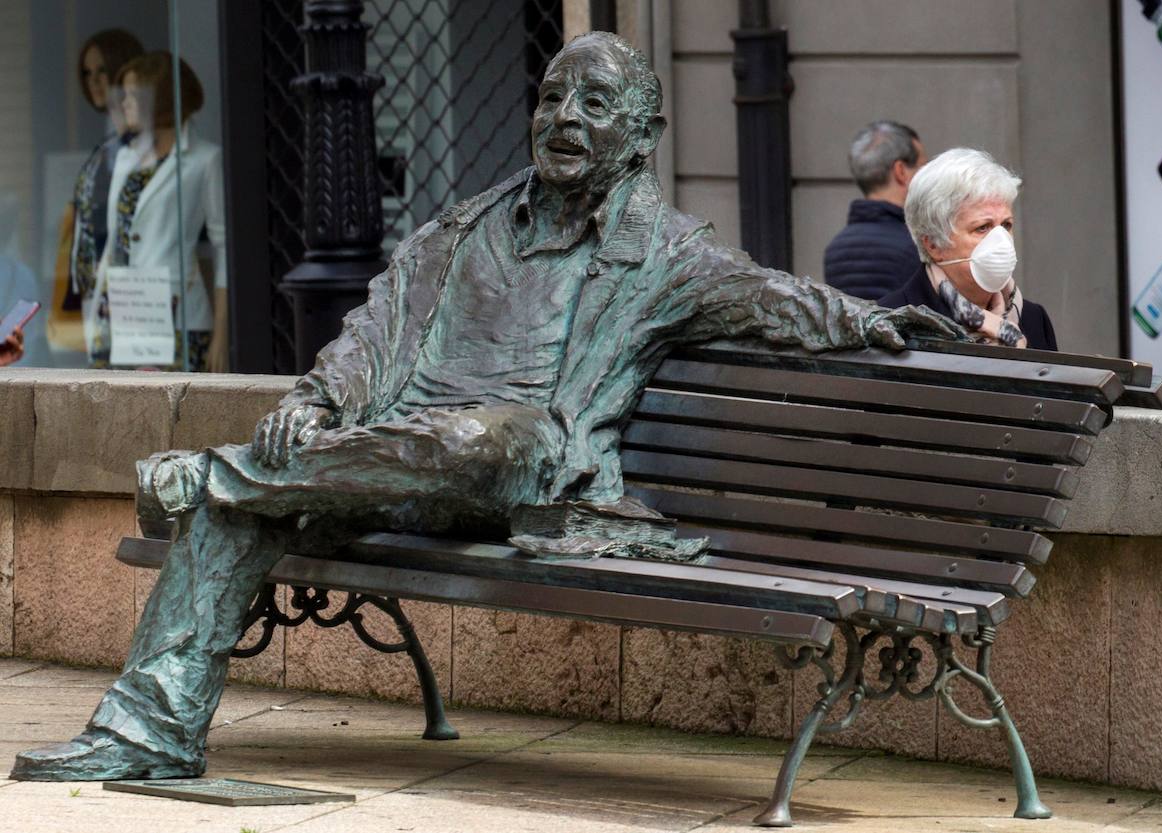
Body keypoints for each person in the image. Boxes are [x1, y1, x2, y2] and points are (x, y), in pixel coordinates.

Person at [12, 31, 962, 782]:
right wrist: (315, 399)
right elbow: (372, 332)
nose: (566, 117)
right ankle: (148, 732)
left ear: (640, 136)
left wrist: (881, 324)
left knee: (485, 436)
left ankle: (209, 476)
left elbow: (772, 298)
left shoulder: (664, 250)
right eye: (554, 97)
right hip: (382, 463)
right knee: (245, 506)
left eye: (596, 103)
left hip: (519, 468)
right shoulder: (460, 227)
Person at [83, 51, 228, 372]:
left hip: (176, 319)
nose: (125, 103)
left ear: (160, 98)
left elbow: (224, 249)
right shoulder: (124, 159)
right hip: (121, 312)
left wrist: (221, 333)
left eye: (135, 95)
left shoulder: (204, 160)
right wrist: (94, 315)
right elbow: (114, 244)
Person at [879, 148, 1057, 351]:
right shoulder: (891, 323)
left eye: (1006, 225)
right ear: (934, 244)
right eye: (982, 228)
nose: (1001, 240)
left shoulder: (1034, 319)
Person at [49, 29, 144, 355]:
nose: (94, 81)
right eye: (87, 73)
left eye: (102, 70)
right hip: (96, 301)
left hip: (137, 299)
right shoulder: (105, 151)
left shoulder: (143, 149)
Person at [823, 120, 928, 300]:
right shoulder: (919, 244)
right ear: (901, 171)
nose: (928, 176)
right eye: (922, 166)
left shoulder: (835, 249)